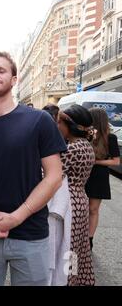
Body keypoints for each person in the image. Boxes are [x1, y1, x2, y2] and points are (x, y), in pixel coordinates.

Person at [0, 51, 66, 286]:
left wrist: (17, 217)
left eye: (1, 70)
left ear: (14, 79)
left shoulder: (40, 121)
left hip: (30, 234)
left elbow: (54, 176)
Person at [57, 105, 96, 286]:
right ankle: (73, 280)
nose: (57, 126)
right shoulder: (86, 145)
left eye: (59, 122)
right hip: (80, 199)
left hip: (69, 203)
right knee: (76, 248)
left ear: (69, 125)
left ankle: (67, 281)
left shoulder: (72, 148)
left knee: (68, 248)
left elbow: (53, 175)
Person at [85, 107, 120, 251]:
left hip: (98, 175)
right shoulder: (85, 135)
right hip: (83, 174)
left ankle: (89, 239)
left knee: (93, 209)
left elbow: (115, 161)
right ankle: (79, 236)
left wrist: (96, 162)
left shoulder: (110, 137)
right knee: (82, 209)